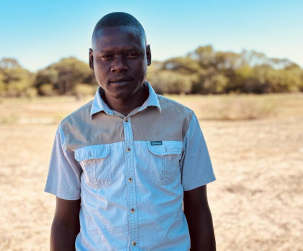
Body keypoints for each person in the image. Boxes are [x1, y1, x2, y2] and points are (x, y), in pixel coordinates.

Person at [45, 12, 216, 251]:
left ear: (147, 55)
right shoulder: (72, 129)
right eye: (107, 57)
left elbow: (198, 210)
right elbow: (64, 221)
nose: (119, 66)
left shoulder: (182, 120)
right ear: (92, 59)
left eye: (132, 54)